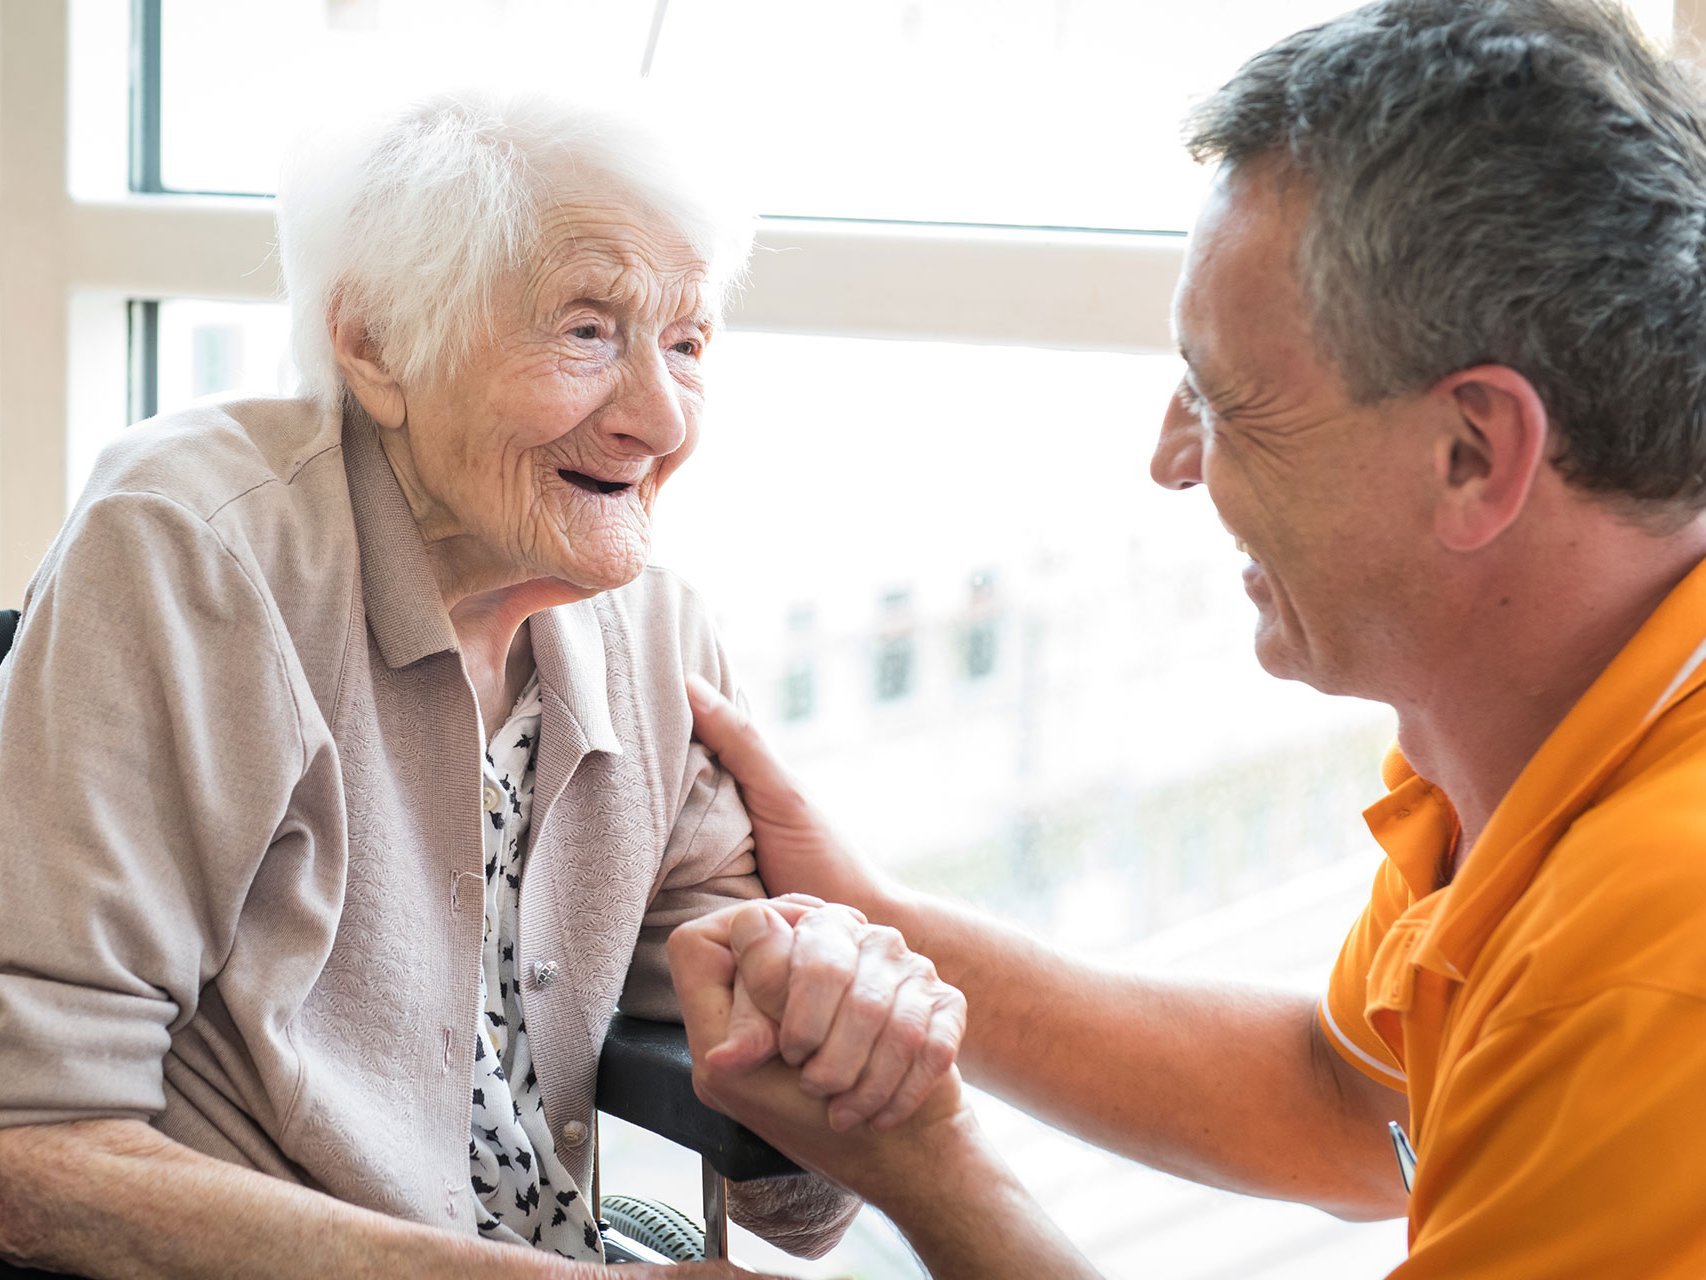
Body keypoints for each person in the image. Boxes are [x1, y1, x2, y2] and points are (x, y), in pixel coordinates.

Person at [666, 1, 1706, 1276]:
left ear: (1471, 454)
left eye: (1222, 399)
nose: (1168, 460)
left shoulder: (1652, 961)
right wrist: (873, 916)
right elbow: (1343, 1102)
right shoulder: (1536, 720)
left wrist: (930, 1164)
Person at [0, 90, 963, 1279]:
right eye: (585, 331)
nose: (660, 422)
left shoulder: (655, 629)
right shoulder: (195, 549)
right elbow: (31, 1147)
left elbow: (787, 1198)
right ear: (376, 344)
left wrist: (839, 1031)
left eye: (686, 341)